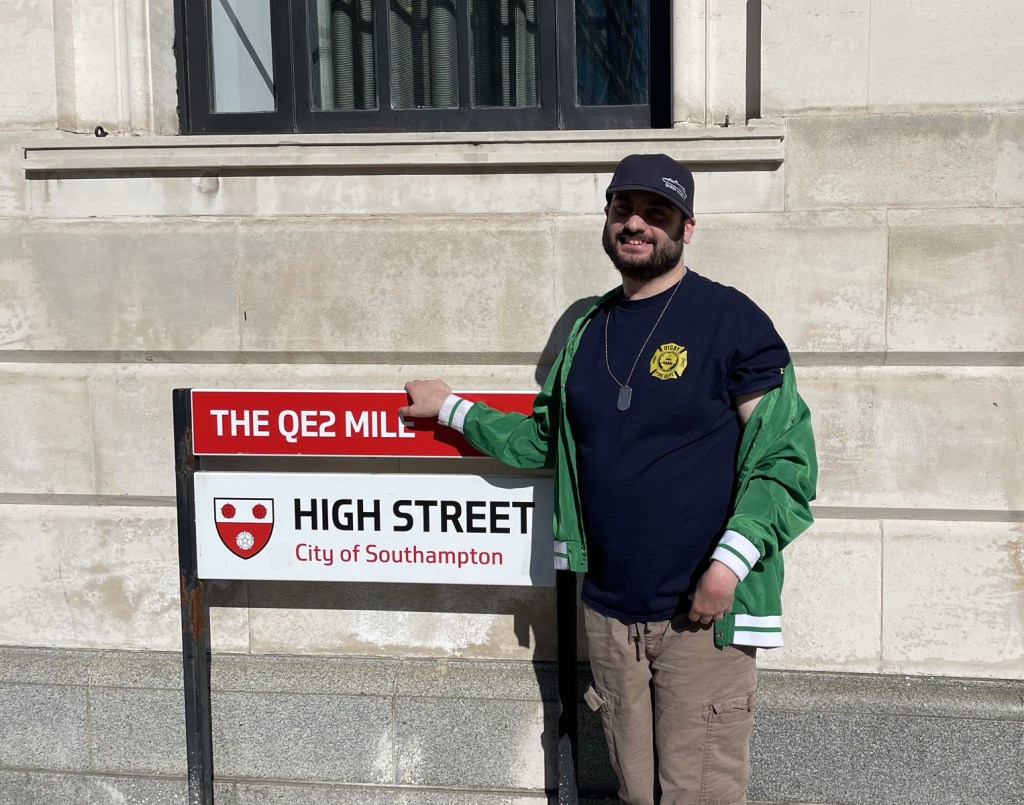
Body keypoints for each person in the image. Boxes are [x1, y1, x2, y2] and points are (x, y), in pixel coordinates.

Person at [400, 153, 817, 805]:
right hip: (610, 614)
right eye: (625, 208)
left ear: (687, 226)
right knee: (634, 791)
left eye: (657, 213)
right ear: (608, 218)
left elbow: (784, 460)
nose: (637, 224)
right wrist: (453, 408)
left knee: (699, 794)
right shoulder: (586, 331)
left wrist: (727, 567)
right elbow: (544, 439)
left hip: (699, 616)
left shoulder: (731, 322)